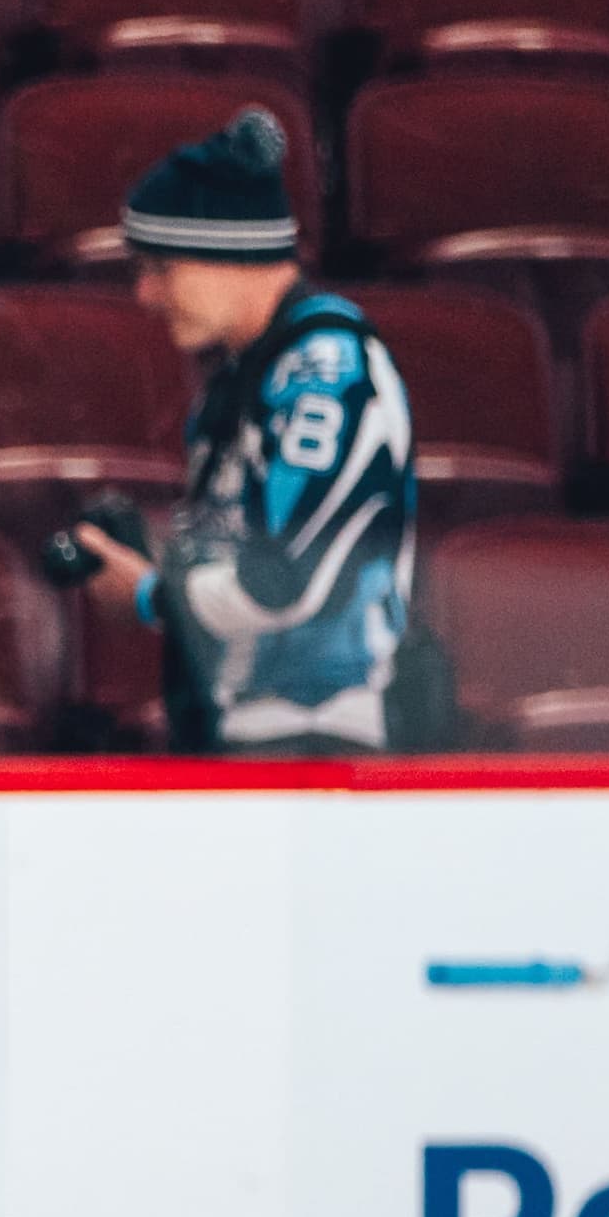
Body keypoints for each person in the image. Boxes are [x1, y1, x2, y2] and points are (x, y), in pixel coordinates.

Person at [67, 105, 422, 754]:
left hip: (319, 744)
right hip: (248, 740)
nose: (146, 294)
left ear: (227, 252)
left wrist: (148, 595)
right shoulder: (246, 379)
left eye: (160, 268)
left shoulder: (325, 373)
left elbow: (287, 580)